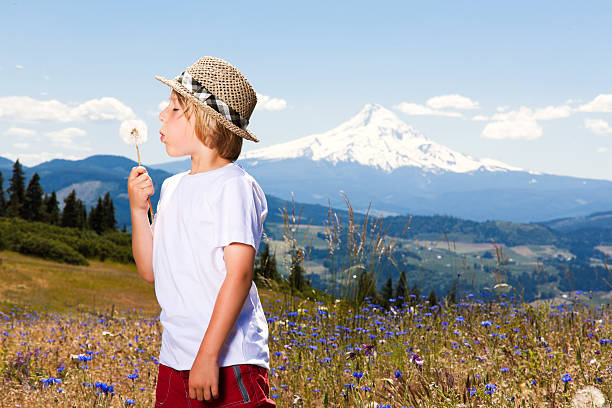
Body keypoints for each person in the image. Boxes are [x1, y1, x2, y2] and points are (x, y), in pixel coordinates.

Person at [127, 56, 275, 407]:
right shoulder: (173, 187)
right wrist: (137, 210)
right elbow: (150, 270)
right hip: (175, 356)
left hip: (227, 358)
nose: (162, 115)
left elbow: (238, 275)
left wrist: (208, 356)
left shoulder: (234, 186)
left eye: (175, 108)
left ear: (206, 122)